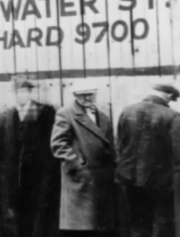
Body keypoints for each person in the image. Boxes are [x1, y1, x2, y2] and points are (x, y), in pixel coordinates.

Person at [50, 79, 117, 237]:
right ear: (75, 96)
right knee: (81, 225)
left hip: (101, 174)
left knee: (98, 224)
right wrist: (77, 164)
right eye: (82, 95)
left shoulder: (102, 115)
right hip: (82, 175)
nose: (87, 98)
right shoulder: (66, 113)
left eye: (90, 95)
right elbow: (58, 144)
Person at [116, 82, 180, 237]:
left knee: (138, 222)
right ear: (169, 95)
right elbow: (177, 151)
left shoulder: (127, 111)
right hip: (161, 180)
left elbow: (120, 144)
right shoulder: (171, 116)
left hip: (129, 177)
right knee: (163, 221)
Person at [0, 74, 59, 237]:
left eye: (26, 91)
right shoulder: (7, 116)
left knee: (40, 219)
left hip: (39, 178)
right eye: (19, 91)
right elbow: (4, 148)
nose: (22, 94)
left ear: (31, 93)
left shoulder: (45, 112)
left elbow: (51, 147)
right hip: (15, 178)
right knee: (19, 218)